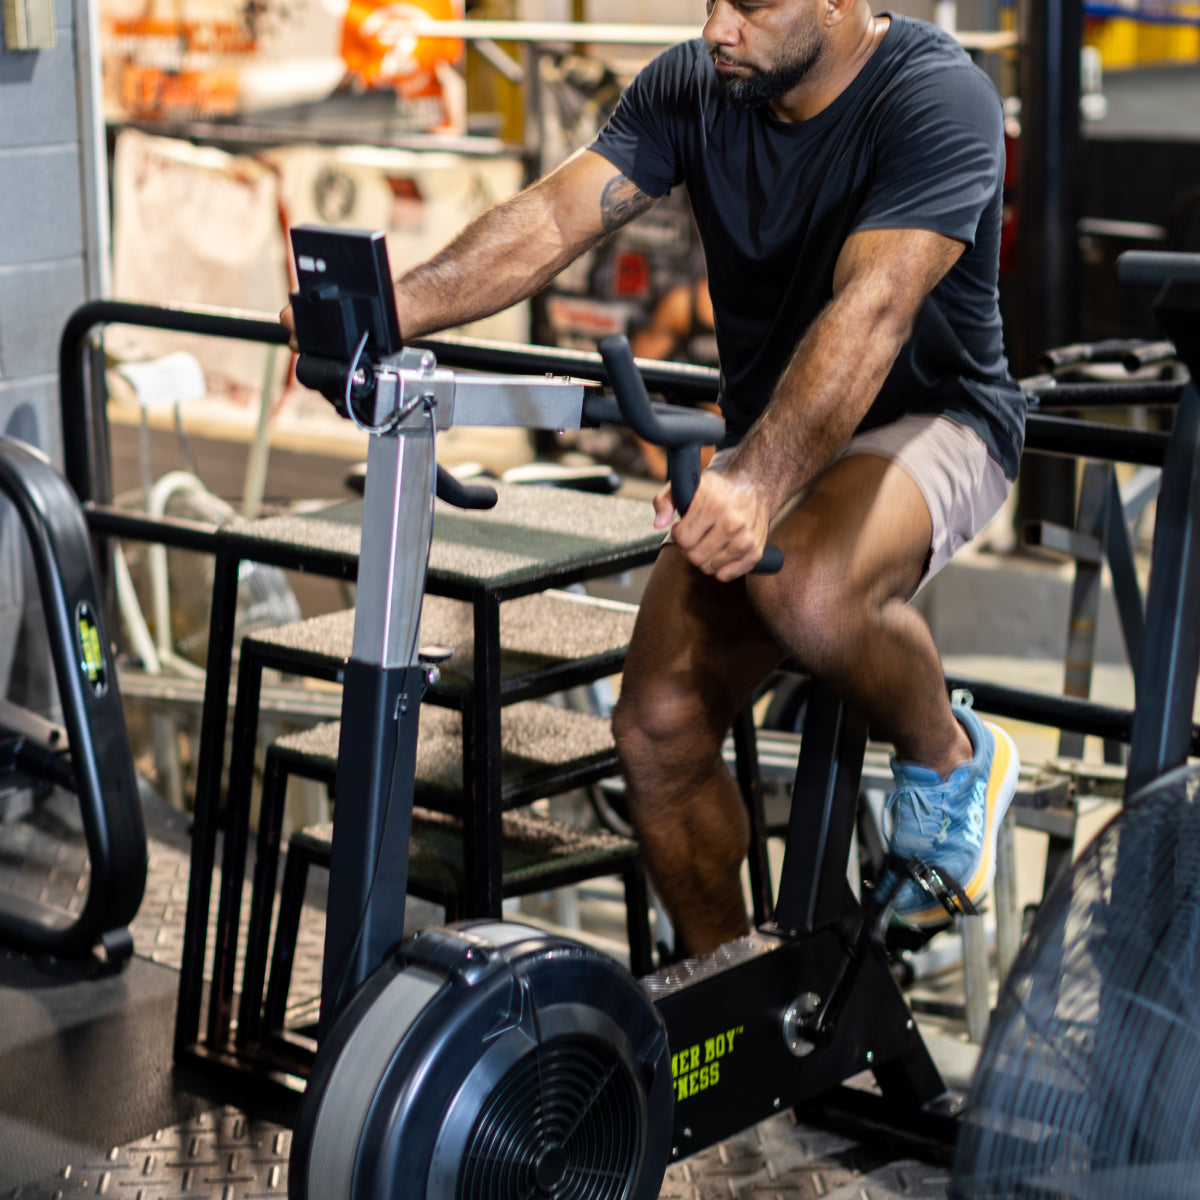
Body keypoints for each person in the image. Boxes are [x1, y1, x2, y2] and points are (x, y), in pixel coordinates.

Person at [283, 0, 1026, 958]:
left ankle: (951, 760)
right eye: (711, 0)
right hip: (774, 430)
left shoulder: (937, 96)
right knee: (657, 728)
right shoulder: (694, 85)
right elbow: (554, 217)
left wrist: (754, 482)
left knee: (808, 584)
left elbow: (875, 308)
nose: (718, 27)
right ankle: (727, 994)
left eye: (750, 6)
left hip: (932, 417)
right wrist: (391, 309)